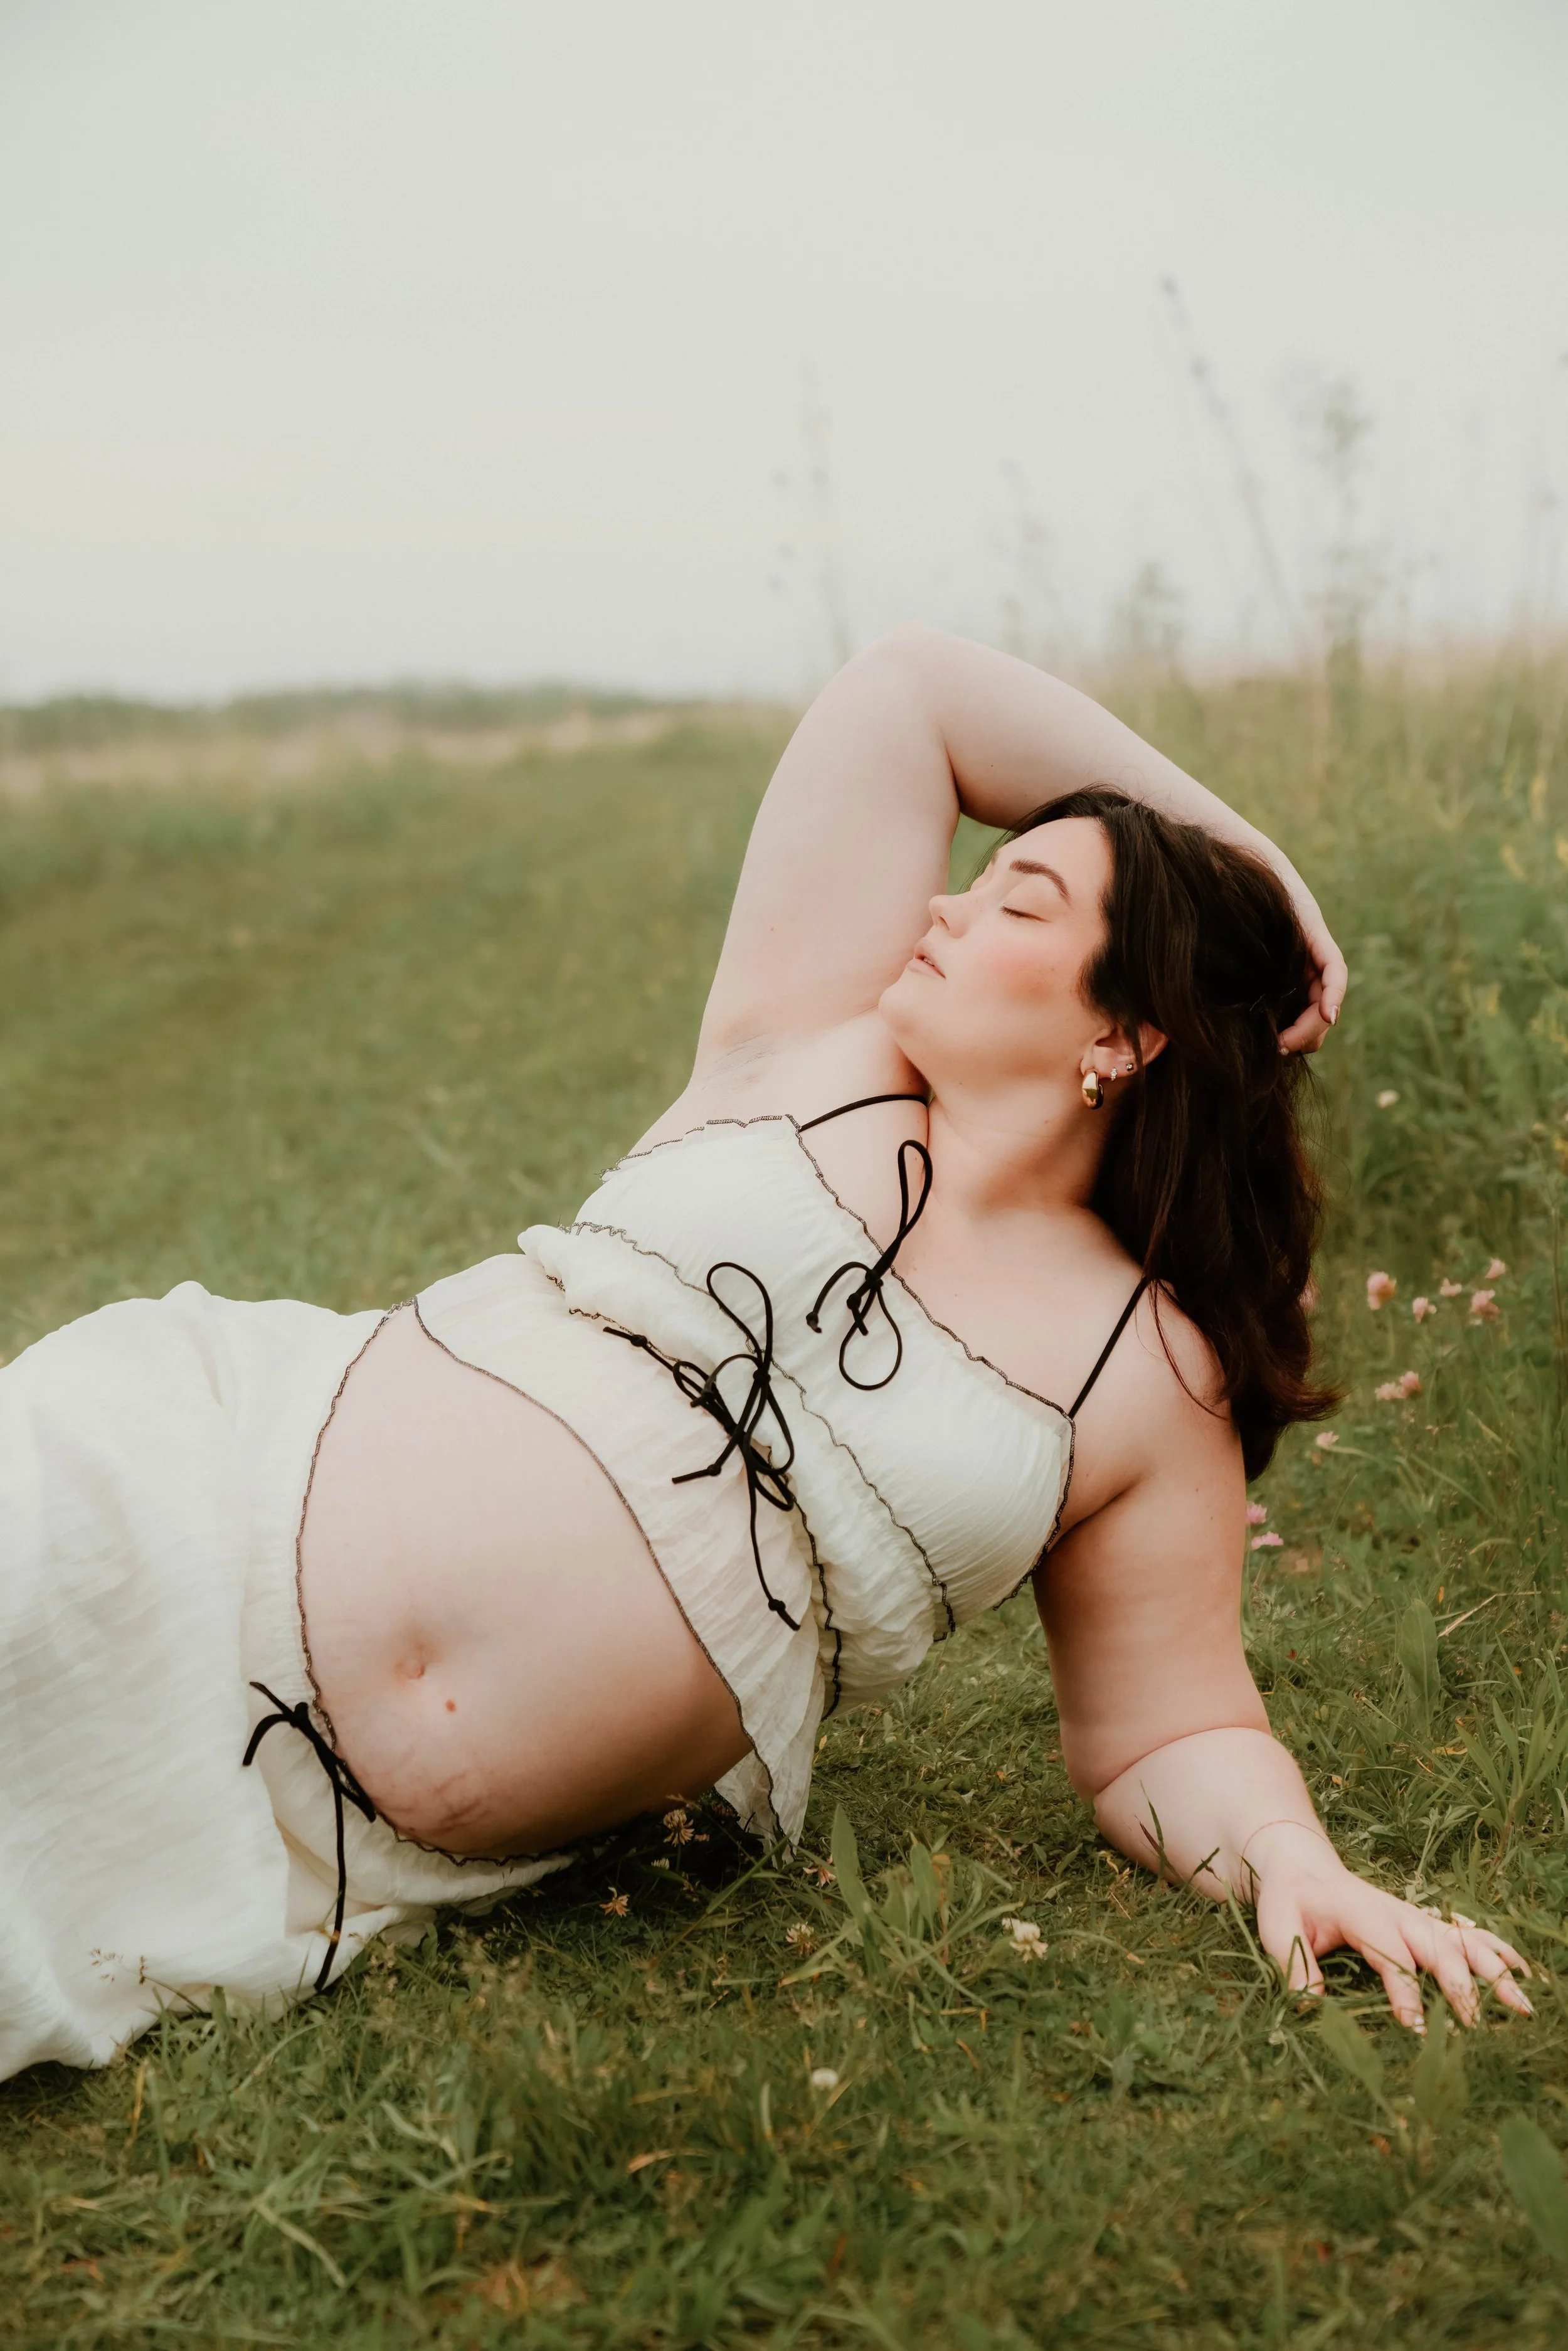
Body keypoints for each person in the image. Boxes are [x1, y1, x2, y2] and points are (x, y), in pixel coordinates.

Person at [0, 627, 1530, 2080]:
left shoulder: (1148, 1372)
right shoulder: (814, 1048)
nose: (939, 907)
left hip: (313, 1840)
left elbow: (1168, 1726)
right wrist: (1255, 858)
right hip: (189, 1500)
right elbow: (914, 690)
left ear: (1124, 1033)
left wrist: (1294, 1861)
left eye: (1015, 901)